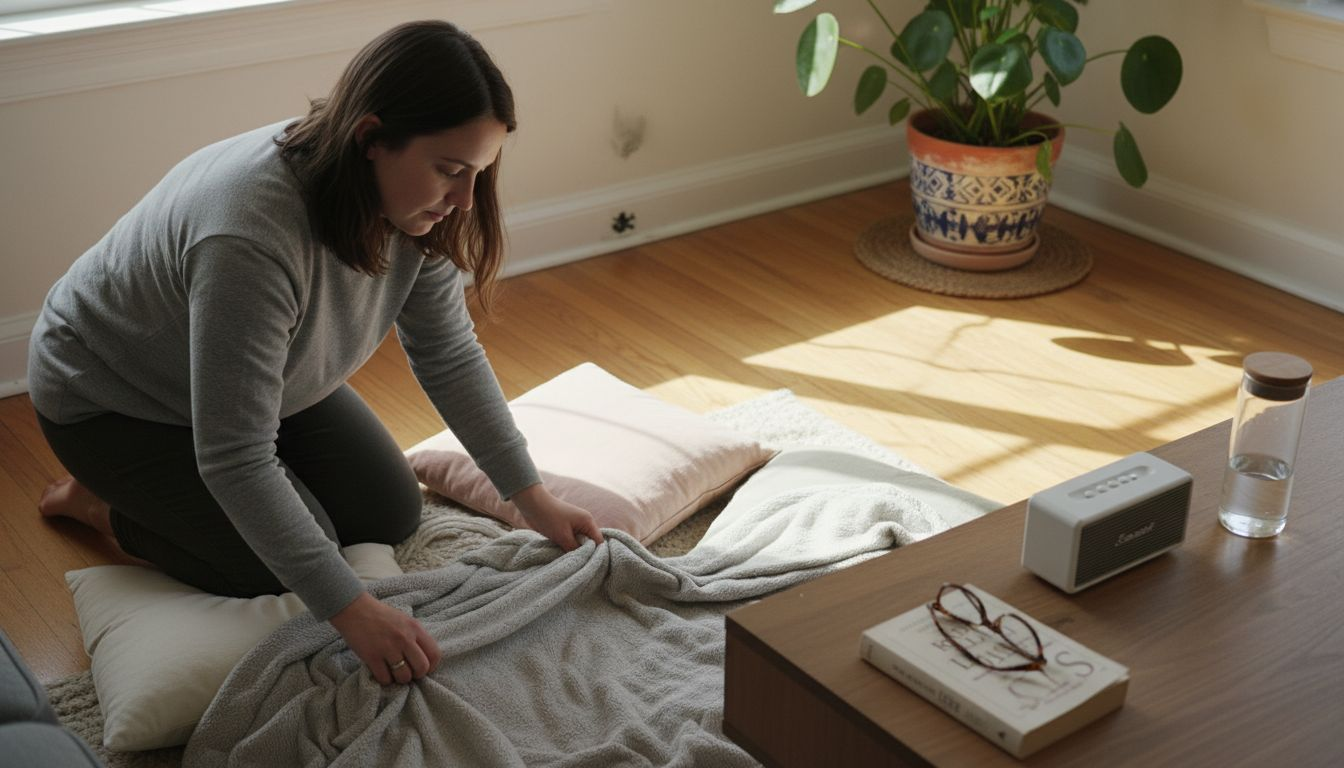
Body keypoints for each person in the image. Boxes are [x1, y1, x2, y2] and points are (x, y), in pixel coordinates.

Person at [27, 20, 603, 686]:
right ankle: (97, 502)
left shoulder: (416, 205)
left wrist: (531, 498)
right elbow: (235, 456)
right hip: (114, 400)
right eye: (450, 171)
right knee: (264, 567)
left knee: (391, 510)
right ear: (370, 139)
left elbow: (446, 352)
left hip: (260, 378)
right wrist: (353, 610)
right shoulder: (249, 235)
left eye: (478, 173)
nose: (466, 200)